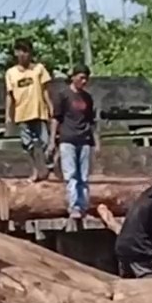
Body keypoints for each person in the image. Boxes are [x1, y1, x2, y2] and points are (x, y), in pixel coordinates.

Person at [4, 39, 54, 181]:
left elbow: (45, 91)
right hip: (22, 114)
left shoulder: (39, 69)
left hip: (38, 112)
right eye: (21, 51)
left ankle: (47, 169)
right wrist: (8, 115)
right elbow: (10, 95)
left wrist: (50, 108)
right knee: (28, 145)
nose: (24, 55)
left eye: (26, 52)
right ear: (16, 53)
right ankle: (35, 170)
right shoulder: (11, 73)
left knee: (45, 142)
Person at [53, 66, 97, 219]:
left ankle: (84, 207)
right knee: (71, 174)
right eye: (81, 78)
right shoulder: (63, 95)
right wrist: (54, 139)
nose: (83, 81)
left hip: (84, 139)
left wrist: (95, 141)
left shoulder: (87, 98)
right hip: (67, 138)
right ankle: (74, 207)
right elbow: (56, 118)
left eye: (86, 78)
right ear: (73, 77)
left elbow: (91, 121)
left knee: (83, 176)